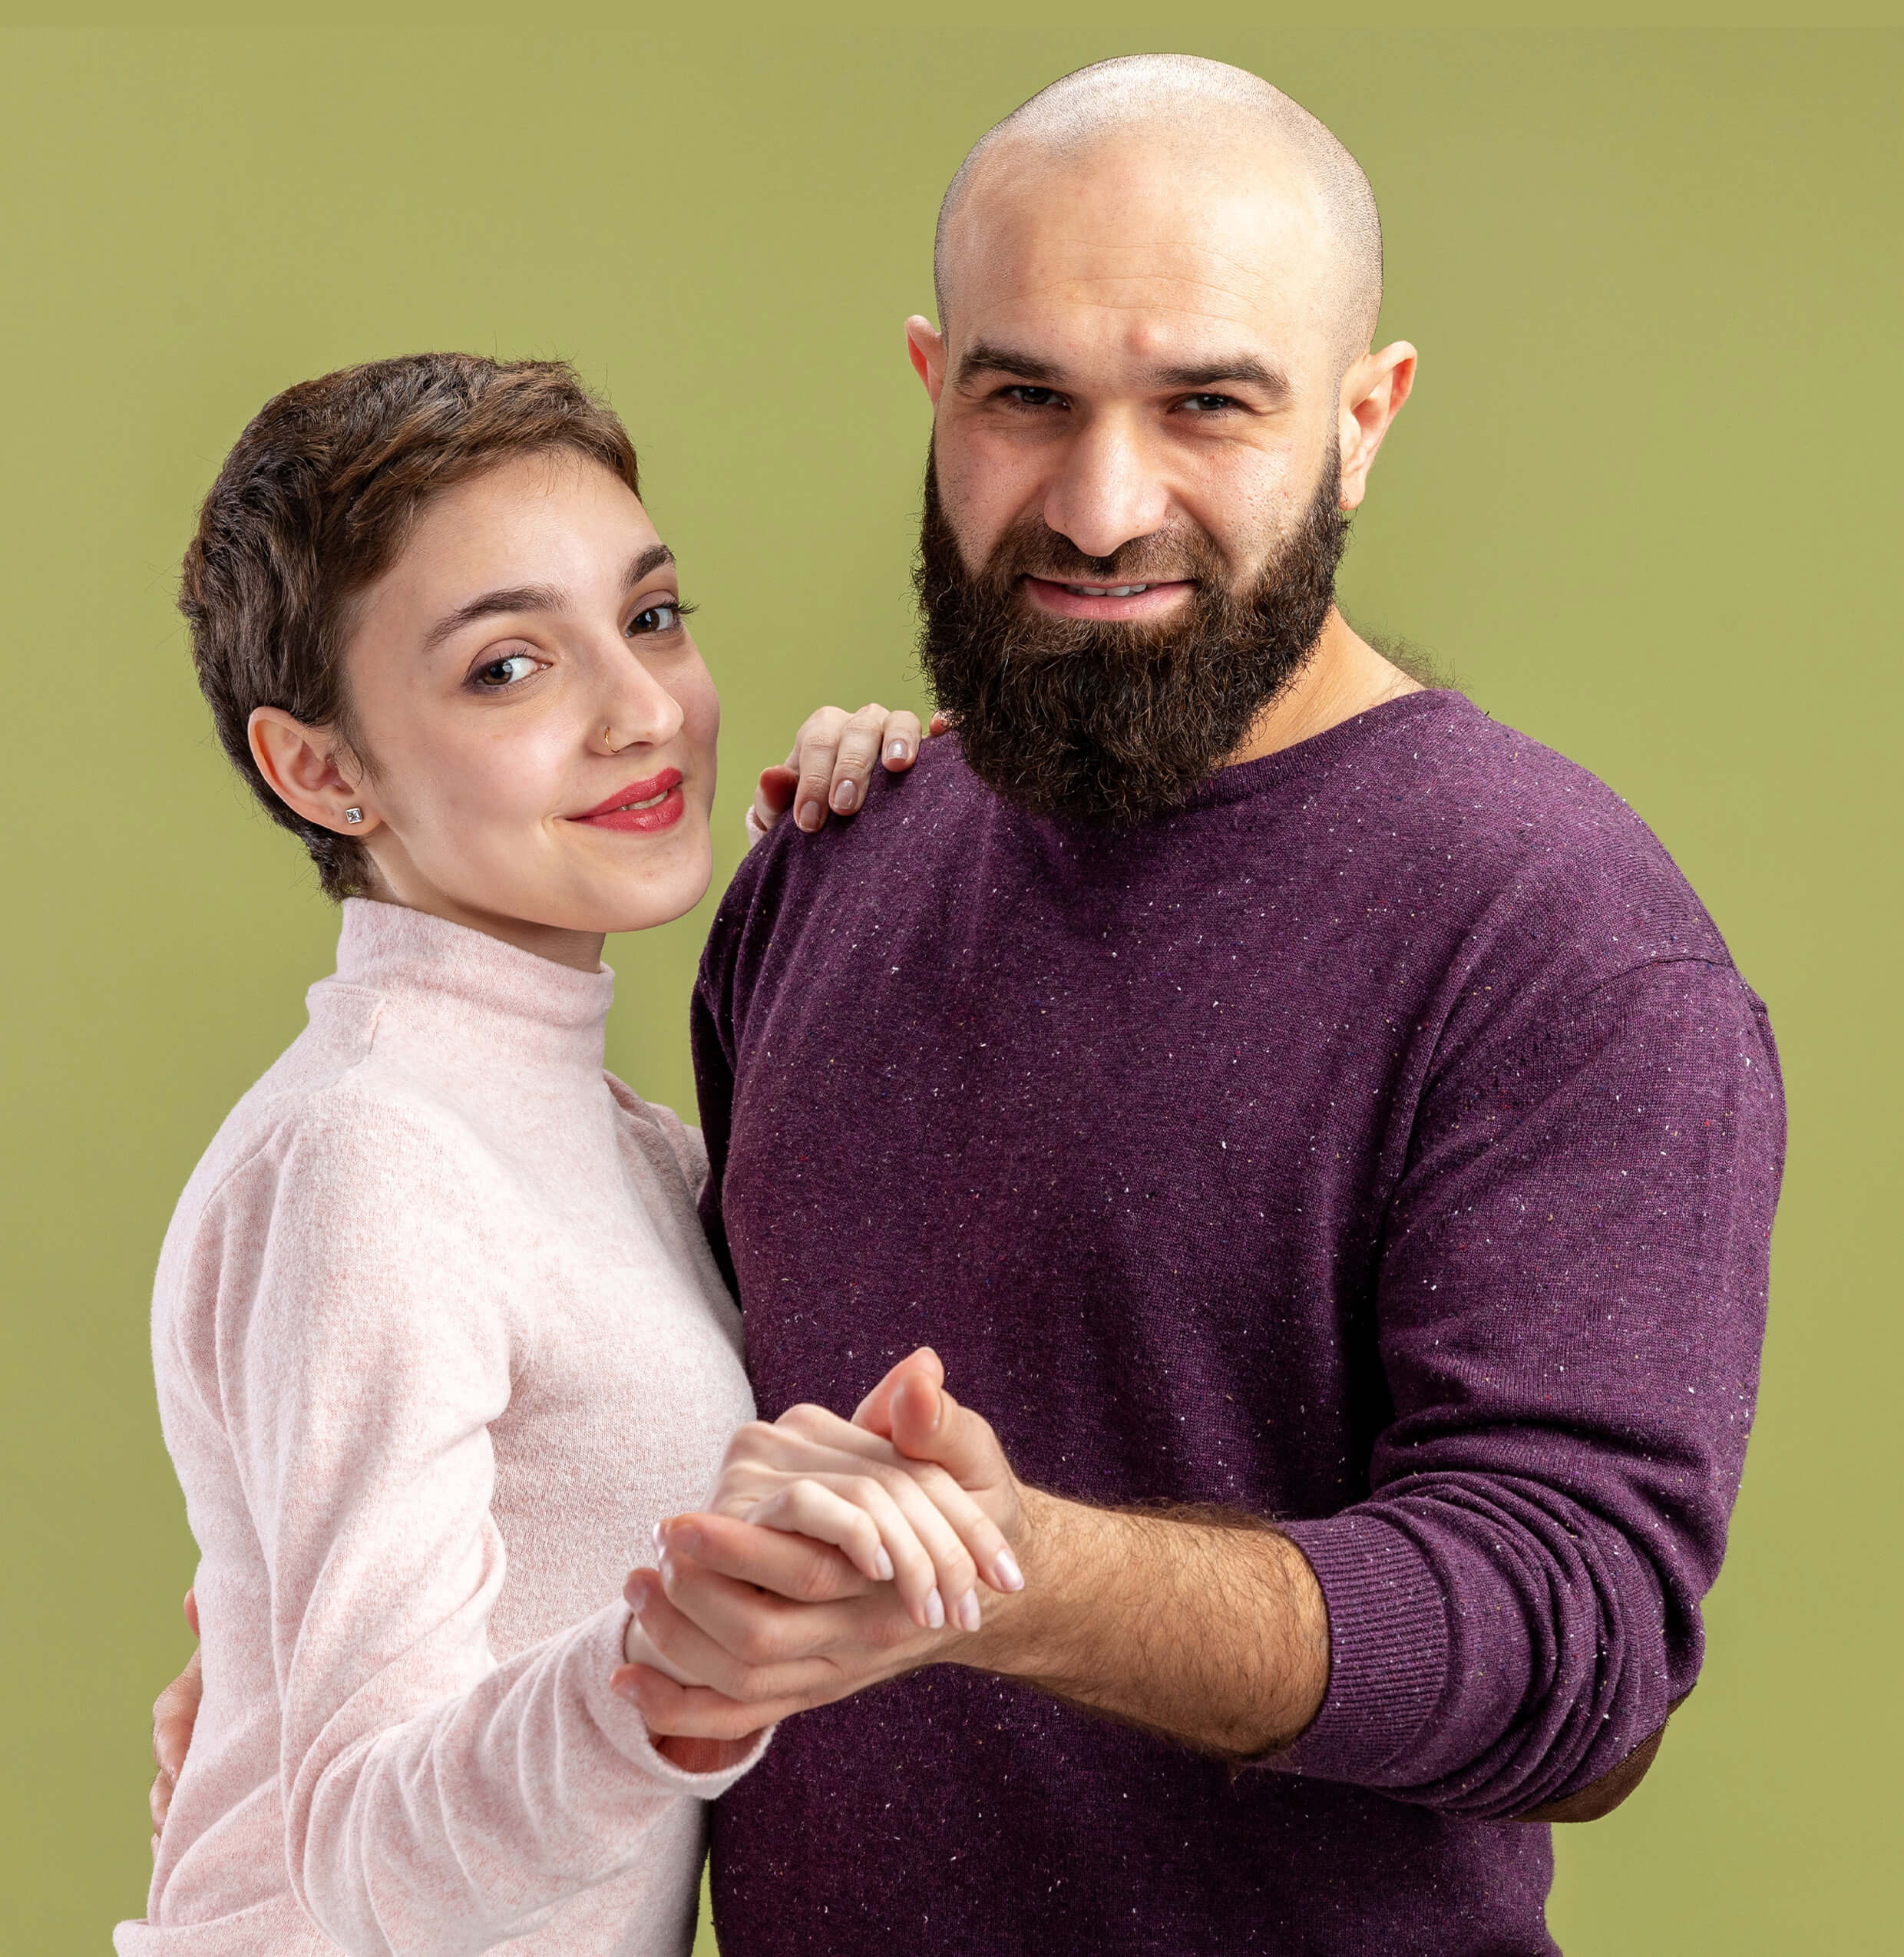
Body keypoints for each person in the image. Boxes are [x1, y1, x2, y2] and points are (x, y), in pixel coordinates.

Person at [609, 55, 1787, 1956]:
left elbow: (1582, 1653)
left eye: (1205, 406)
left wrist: (1001, 1575)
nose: (1097, 502)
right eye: (1026, 398)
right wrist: (322, 1726)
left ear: (1362, 419)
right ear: (934, 388)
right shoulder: (823, 873)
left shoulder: (1554, 937)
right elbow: (695, 1487)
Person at [121, 351, 1021, 1957]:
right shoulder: (371, 1157)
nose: (639, 711)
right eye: (508, 669)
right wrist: (671, 1674)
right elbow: (365, 1862)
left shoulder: (615, 1147)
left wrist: (874, 852)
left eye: (651, 617)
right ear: (317, 767)